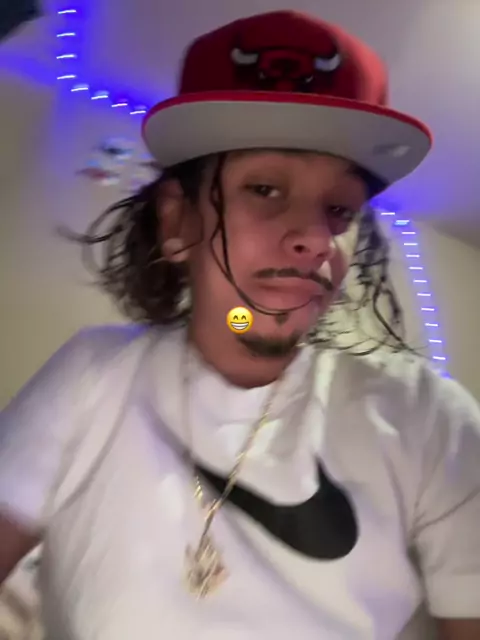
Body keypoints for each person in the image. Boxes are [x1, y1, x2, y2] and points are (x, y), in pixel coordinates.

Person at [0, 10, 479, 640]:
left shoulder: (428, 417)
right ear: (179, 223)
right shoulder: (93, 375)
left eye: (339, 208)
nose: (316, 238)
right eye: (265, 189)